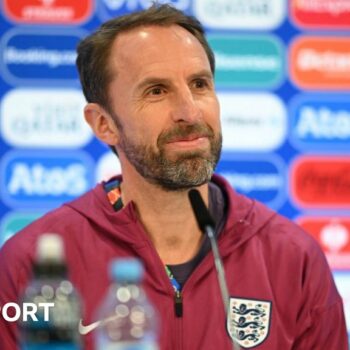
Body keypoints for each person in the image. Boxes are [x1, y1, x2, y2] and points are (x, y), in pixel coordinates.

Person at [0, 4, 347, 349]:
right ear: (103, 124)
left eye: (199, 84)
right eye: (156, 91)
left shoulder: (292, 257)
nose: (189, 111)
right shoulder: (30, 267)